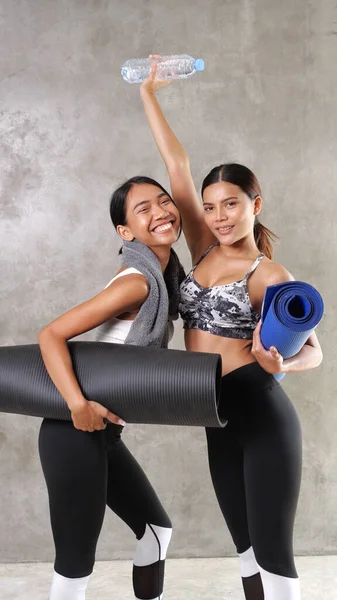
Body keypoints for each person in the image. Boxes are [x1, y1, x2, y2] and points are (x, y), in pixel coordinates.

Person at [140, 61, 323, 600]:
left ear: (254, 206)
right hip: (211, 411)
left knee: (273, 554)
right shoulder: (199, 247)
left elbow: (316, 353)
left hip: (259, 408)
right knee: (244, 550)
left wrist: (284, 364)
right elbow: (176, 165)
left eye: (232, 205)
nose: (219, 216)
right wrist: (149, 92)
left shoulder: (268, 274)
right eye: (212, 206)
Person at [38, 175, 183, 600]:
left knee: (156, 531)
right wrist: (76, 404)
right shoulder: (137, 282)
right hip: (74, 432)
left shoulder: (165, 276)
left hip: (105, 436)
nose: (160, 212)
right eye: (143, 210)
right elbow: (50, 334)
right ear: (126, 232)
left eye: (164, 201)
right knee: (76, 559)